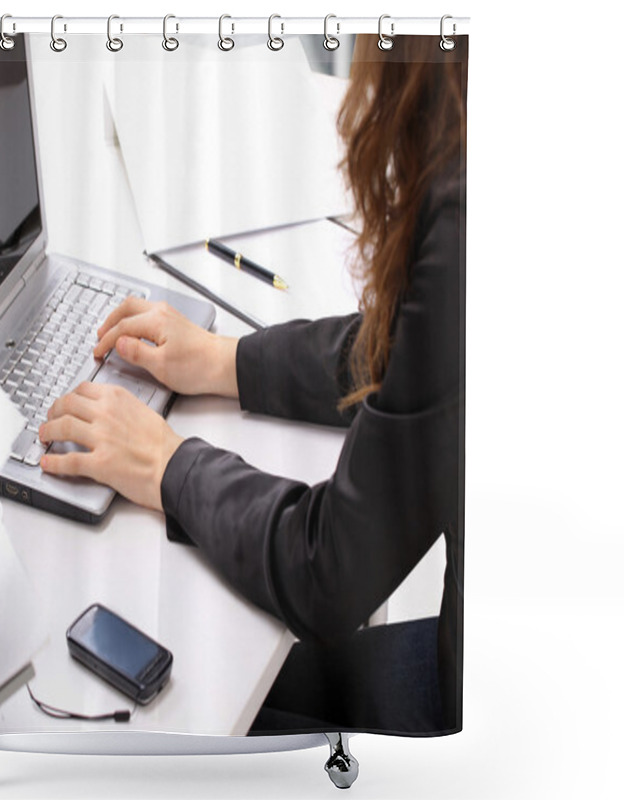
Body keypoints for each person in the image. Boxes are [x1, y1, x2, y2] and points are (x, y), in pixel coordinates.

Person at [38, 34, 466, 735]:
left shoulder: (461, 204)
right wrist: (226, 361)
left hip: (474, 702)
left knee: (194, 719)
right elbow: (411, 348)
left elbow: (328, 571)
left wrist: (166, 462)